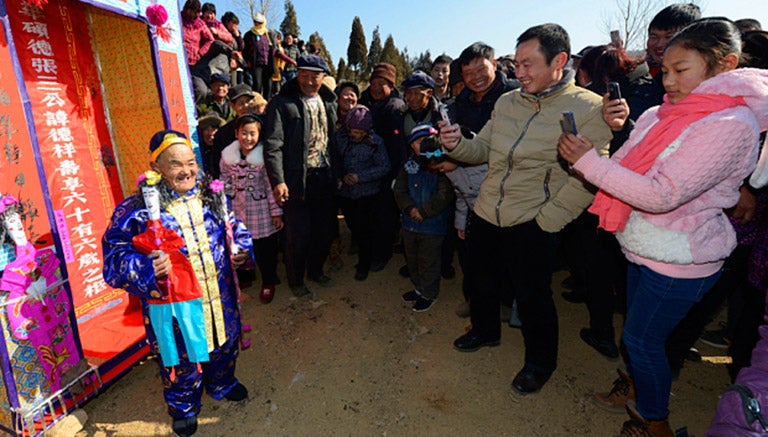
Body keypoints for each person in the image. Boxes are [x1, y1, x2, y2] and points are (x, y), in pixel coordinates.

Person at [558, 18, 768, 436]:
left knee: (643, 341)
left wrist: (587, 162)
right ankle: (636, 388)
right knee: (639, 335)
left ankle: (653, 419)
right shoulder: (665, 112)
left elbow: (661, 193)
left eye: (681, 69)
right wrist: (611, 144)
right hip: (641, 243)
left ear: (723, 65)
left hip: (678, 257)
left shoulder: (728, 126)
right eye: (666, 70)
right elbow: (631, 165)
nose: (668, 80)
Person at [440, 23, 612, 395]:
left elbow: (589, 176)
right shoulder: (506, 102)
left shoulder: (588, 108)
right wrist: (455, 144)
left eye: (528, 64)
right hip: (487, 212)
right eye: (516, 64)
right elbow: (482, 149)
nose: (518, 73)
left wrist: (546, 221)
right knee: (480, 281)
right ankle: (485, 332)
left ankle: (539, 363)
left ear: (559, 61)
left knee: (533, 297)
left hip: (534, 220)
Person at [102, 130, 253, 437]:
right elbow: (113, 259)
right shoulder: (135, 210)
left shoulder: (212, 195)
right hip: (174, 305)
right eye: (175, 164)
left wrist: (241, 248)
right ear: (156, 167)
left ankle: (222, 383)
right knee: (181, 357)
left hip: (218, 295)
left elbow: (233, 226)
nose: (187, 171)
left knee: (223, 343)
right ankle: (184, 406)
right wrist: (147, 267)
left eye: (191, 162)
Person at [263, 54, 339, 299]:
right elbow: (273, 145)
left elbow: (334, 143)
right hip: (296, 181)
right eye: (303, 75)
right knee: (298, 235)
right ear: (297, 75)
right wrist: (279, 180)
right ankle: (296, 280)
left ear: (323, 77)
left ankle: (316, 271)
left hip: (324, 177)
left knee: (324, 231)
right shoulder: (282, 103)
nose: (308, 81)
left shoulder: (329, 102)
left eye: (314, 76)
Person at [220, 115, 283, 304]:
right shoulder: (227, 156)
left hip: (261, 211)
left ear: (259, 135)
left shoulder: (264, 158)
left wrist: (276, 212)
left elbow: (271, 187)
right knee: (241, 246)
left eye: (252, 134)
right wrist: (223, 190)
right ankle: (246, 278)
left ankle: (269, 280)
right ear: (236, 133)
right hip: (238, 211)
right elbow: (223, 179)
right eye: (244, 133)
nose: (248, 138)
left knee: (266, 248)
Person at [396, 123, 454, 312]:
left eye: (428, 141)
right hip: (409, 223)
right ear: (411, 144)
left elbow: (445, 194)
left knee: (429, 260)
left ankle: (429, 293)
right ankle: (419, 288)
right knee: (412, 258)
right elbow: (400, 189)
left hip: (433, 226)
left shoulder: (441, 164)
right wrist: (410, 208)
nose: (423, 145)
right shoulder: (408, 165)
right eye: (419, 141)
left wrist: (424, 211)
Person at [359, 63, 407, 269]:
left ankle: (382, 254)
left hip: (387, 170)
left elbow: (396, 147)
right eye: (374, 83)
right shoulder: (367, 102)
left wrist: (393, 173)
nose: (377, 88)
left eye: (382, 84)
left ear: (391, 85)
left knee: (384, 215)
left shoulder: (394, 107)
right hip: (369, 170)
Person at [335, 105, 390, 281]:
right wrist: (342, 176)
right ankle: (359, 245)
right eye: (353, 131)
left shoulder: (376, 142)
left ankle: (364, 264)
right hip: (346, 193)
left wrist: (361, 177)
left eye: (360, 132)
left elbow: (384, 167)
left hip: (367, 194)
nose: (355, 135)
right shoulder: (340, 138)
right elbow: (335, 160)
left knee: (366, 229)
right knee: (352, 225)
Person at [211, 84, 263, 179]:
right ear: (232, 106)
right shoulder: (223, 133)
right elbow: (217, 166)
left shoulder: (265, 125)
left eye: (248, 101)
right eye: (241, 103)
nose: (245, 106)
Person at [243, 13, 278, 99]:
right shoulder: (249, 34)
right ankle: (256, 103)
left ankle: (267, 105)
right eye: (255, 22)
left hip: (267, 64)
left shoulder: (268, 34)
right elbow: (245, 50)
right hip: (256, 64)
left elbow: (273, 48)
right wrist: (248, 61)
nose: (257, 24)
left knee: (268, 86)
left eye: (259, 22)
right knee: (257, 85)